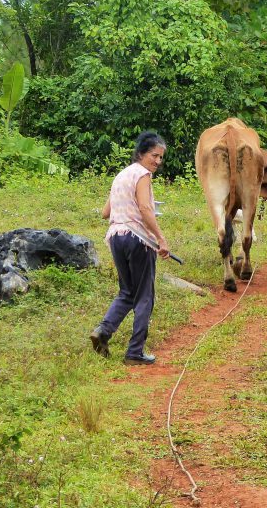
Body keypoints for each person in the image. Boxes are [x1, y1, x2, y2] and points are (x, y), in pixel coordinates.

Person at [90, 131, 171, 366]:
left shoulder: (121, 175)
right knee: (145, 295)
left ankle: (103, 331)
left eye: (160, 157)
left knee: (127, 292)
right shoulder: (143, 174)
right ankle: (135, 352)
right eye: (154, 155)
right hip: (137, 239)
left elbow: (106, 212)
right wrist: (161, 239)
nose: (157, 161)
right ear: (141, 154)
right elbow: (146, 209)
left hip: (116, 237)